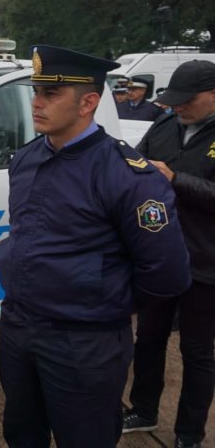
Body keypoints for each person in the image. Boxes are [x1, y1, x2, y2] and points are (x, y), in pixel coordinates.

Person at [0, 45, 191, 448]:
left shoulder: (127, 176)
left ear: (88, 102)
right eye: (35, 91)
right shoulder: (27, 159)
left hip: (83, 343)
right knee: (21, 433)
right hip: (18, 328)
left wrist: (102, 303)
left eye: (51, 94)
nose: (36, 103)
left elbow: (167, 273)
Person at [122, 60, 215, 448]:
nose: (179, 107)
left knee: (196, 352)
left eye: (187, 100)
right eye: (174, 100)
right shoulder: (163, 125)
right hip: (160, 255)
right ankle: (143, 409)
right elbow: (137, 162)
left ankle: (189, 434)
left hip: (205, 263)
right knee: (149, 338)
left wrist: (176, 179)